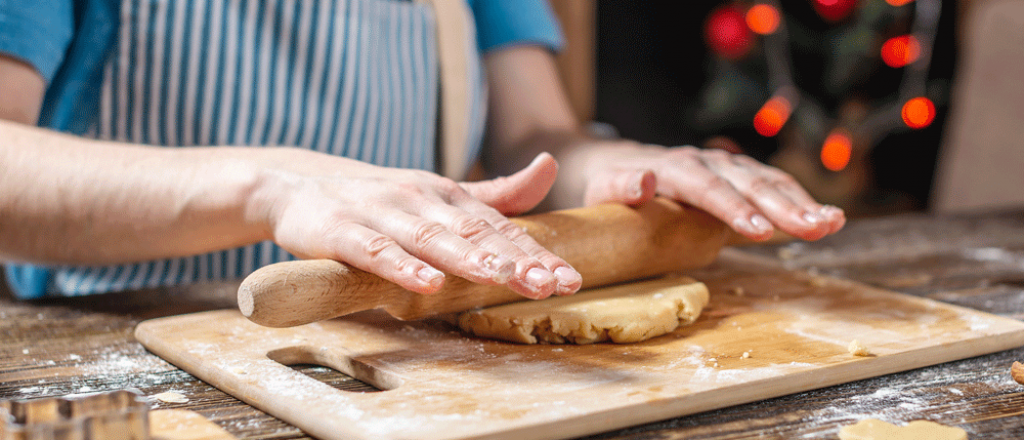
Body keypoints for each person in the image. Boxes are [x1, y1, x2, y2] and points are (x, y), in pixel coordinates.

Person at [0, 0, 844, 302]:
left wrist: (628, 172)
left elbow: (537, 138)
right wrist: (271, 188)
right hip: (128, 367)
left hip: (402, 367)